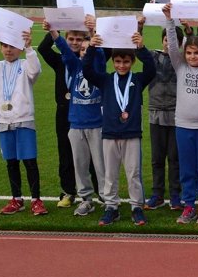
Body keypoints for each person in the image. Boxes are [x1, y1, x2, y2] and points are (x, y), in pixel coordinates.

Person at [81, 30, 156, 226]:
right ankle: (111, 207)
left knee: (133, 173)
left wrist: (141, 48)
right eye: (118, 62)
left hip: (131, 134)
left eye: (126, 62)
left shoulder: (138, 80)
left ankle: (136, 207)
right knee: (110, 174)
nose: (121, 65)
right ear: (112, 62)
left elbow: (152, 69)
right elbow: (87, 71)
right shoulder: (106, 80)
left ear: (132, 62)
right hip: (109, 134)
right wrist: (91, 48)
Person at [0, 18, 47, 216]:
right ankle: (17, 199)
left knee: (29, 161)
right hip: (3, 120)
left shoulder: (26, 65)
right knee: (11, 161)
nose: (9, 50)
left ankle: (36, 200)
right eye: (5, 46)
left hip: (24, 119)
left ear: (19, 48)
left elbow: (36, 70)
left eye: (13, 46)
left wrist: (29, 48)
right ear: (0, 48)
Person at [163, 3, 198, 225]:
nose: (193, 56)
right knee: (186, 168)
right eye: (189, 52)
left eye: (197, 52)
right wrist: (169, 18)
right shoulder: (180, 66)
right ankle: (188, 206)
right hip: (183, 125)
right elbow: (173, 47)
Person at [43, 18, 105, 219]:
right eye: (83, 50)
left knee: (100, 164)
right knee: (79, 164)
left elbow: (99, 50)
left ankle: (107, 198)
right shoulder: (73, 65)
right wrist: (53, 32)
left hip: (96, 124)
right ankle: (86, 200)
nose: (85, 51)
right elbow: (64, 49)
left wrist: (93, 31)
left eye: (89, 49)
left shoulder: (99, 68)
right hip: (76, 125)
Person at [37, 25, 88, 207]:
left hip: (85, 111)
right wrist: (54, 28)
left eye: (78, 39)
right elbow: (43, 49)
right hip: (63, 111)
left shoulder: (87, 60)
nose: (74, 42)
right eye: (71, 39)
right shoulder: (59, 60)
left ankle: (94, 192)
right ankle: (68, 191)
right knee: (65, 152)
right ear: (65, 39)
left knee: (88, 154)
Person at [145, 24, 184, 211]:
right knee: (157, 158)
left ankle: (176, 194)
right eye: (167, 39)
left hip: (177, 114)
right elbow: (138, 51)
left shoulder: (184, 61)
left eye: (175, 40)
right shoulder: (153, 56)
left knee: (175, 158)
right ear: (162, 40)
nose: (170, 43)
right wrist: (139, 24)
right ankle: (157, 194)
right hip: (156, 114)